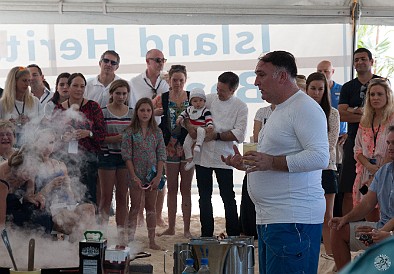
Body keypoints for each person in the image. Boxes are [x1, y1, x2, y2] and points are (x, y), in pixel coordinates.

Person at [222, 51, 329, 274]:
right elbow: (274, 157)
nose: (255, 82)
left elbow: (320, 157)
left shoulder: (304, 108)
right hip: (274, 218)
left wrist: (270, 162)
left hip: (293, 220)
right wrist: (248, 164)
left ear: (282, 77)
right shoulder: (280, 109)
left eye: (261, 74)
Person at [329, 125, 394, 271]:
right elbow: (366, 204)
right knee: (338, 230)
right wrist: (345, 218)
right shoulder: (383, 171)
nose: (390, 147)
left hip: (388, 232)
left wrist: (383, 233)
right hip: (382, 228)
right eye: (388, 143)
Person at [191, 71, 248, 238]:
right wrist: (191, 128)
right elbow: (191, 111)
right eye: (217, 88)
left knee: (228, 196)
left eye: (222, 90)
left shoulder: (240, 106)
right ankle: (206, 233)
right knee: (204, 197)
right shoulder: (208, 99)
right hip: (203, 155)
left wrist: (216, 135)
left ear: (233, 90)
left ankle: (233, 233)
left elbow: (239, 134)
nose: (218, 92)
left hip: (225, 157)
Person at [32, 128, 96, 241]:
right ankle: (78, 246)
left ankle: (78, 244)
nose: (47, 147)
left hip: (68, 205)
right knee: (77, 221)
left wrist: (68, 186)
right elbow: (31, 197)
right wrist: (50, 185)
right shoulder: (32, 166)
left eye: (51, 142)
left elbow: (72, 197)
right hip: (51, 208)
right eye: (43, 142)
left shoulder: (61, 165)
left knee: (90, 208)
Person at [338, 48, 381, 216]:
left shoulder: (381, 82)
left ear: (371, 61)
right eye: (356, 59)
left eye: (363, 59)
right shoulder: (348, 87)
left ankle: (376, 230)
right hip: (354, 142)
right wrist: (366, 114)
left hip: (380, 144)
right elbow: (341, 114)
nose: (360, 62)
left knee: (375, 189)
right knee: (349, 189)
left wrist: (352, 110)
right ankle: (348, 228)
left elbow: (385, 112)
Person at [129, 49, 169, 227]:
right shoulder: (135, 82)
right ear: (147, 61)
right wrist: (151, 110)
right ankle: (139, 216)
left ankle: (158, 214)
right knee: (140, 175)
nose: (160, 63)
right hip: (141, 131)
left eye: (162, 60)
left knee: (160, 176)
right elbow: (132, 108)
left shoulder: (166, 83)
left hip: (161, 130)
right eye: (157, 60)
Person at [54, 73, 106, 205]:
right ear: (69, 87)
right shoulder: (59, 109)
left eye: (82, 86)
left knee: (89, 195)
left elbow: (101, 134)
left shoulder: (93, 107)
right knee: (68, 195)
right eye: (75, 85)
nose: (79, 89)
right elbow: (52, 135)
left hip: (89, 159)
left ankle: (90, 224)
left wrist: (88, 133)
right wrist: (62, 137)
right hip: (65, 159)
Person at [121, 98, 166, 250]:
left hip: (152, 175)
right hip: (136, 174)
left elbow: (161, 155)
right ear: (136, 112)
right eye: (142, 110)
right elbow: (127, 155)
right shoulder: (130, 132)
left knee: (151, 208)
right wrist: (133, 175)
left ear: (152, 112)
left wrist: (158, 176)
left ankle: (152, 240)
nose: (145, 113)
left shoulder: (157, 132)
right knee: (134, 207)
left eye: (148, 110)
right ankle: (130, 239)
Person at [156, 65, 194, 238]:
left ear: (185, 80)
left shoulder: (192, 97)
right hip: (169, 148)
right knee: (171, 188)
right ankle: (171, 226)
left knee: (185, 188)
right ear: (169, 80)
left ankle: (186, 228)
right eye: (174, 80)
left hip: (187, 148)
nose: (178, 83)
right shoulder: (162, 98)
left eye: (181, 80)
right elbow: (150, 117)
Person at [306, 72, 340, 259]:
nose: (316, 92)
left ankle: (329, 254)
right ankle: (310, 252)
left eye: (321, 89)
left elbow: (330, 144)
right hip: (303, 169)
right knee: (307, 214)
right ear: (306, 89)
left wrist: (308, 156)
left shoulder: (333, 114)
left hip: (325, 167)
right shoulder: (299, 112)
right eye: (313, 88)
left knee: (328, 215)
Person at [352, 78, 394, 221]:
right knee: (370, 219)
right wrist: (369, 166)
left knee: (386, 217)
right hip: (366, 172)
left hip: (388, 171)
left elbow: (392, 149)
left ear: (387, 96)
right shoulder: (365, 120)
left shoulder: (392, 119)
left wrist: (379, 172)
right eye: (372, 94)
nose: (375, 98)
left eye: (379, 94)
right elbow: (357, 149)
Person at [98, 79, 133, 243]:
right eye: (118, 93)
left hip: (125, 158)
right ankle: (102, 233)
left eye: (124, 93)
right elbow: (98, 138)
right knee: (105, 197)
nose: (121, 96)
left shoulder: (132, 113)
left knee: (122, 196)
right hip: (107, 156)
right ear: (111, 94)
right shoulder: (103, 112)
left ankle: (121, 234)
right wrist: (117, 138)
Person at [0, 147, 46, 231]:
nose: (30, 175)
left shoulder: (30, 170)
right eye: (27, 170)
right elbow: (1, 222)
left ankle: (43, 240)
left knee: (42, 215)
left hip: (12, 206)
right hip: (3, 208)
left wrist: (32, 197)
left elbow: (29, 195)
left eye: (34, 171)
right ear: (19, 163)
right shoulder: (3, 176)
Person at [0, 67, 40, 147]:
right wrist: (7, 125)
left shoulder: (35, 101)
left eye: (29, 80)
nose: (27, 84)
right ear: (14, 81)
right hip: (9, 146)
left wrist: (30, 122)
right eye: (24, 80)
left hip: (31, 145)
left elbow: (41, 124)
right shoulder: (2, 103)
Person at [176, 87, 213, 171]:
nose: (198, 103)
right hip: (191, 131)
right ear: (191, 102)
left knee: (200, 131)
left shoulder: (205, 111)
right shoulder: (189, 109)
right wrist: (179, 119)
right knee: (186, 144)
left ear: (204, 101)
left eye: (200, 100)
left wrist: (210, 126)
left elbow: (208, 119)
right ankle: (190, 159)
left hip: (201, 130)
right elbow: (183, 114)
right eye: (195, 101)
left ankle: (198, 144)